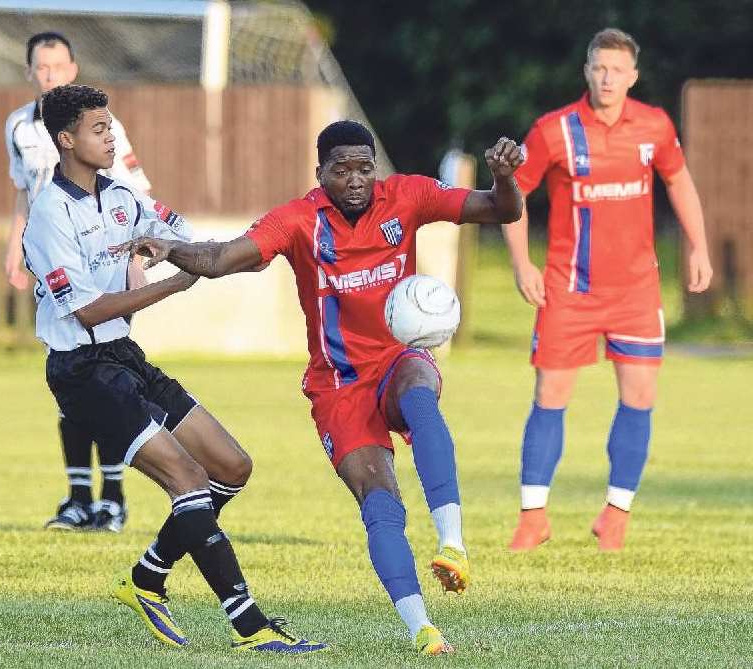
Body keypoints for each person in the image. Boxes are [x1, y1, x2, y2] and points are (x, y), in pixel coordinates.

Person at [111, 120, 524, 655]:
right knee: (379, 498)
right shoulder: (301, 221)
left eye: (364, 168)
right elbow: (219, 259)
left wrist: (504, 178)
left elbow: (501, 209)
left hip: (397, 358)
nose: (355, 180)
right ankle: (422, 628)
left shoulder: (408, 196)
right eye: (341, 169)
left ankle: (453, 544)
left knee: (419, 391)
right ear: (320, 173)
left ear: (376, 168)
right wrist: (170, 248)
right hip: (338, 388)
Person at [22, 83, 326, 653]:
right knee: (186, 480)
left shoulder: (122, 196)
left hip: (125, 359)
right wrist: (176, 282)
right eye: (98, 128)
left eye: (111, 126)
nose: (110, 136)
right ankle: (250, 626)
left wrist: (228, 256)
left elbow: (181, 234)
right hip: (81, 371)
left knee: (231, 466)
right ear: (65, 139)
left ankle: (147, 580)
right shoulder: (48, 214)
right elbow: (87, 310)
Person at [502, 28, 713, 552]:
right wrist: (521, 263)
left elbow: (679, 182)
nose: (607, 78)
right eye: (599, 68)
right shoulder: (554, 131)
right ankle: (533, 518)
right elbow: (512, 195)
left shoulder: (655, 125)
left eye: (617, 70)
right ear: (587, 71)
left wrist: (699, 246)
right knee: (550, 396)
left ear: (633, 76)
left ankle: (616, 515)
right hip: (568, 289)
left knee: (640, 397)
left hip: (636, 292)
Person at [4, 32, 164, 531]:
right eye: (41, 67)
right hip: (54, 262)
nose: (50, 74)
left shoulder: (101, 125)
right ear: (30, 72)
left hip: (105, 263)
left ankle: (112, 497)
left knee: (108, 380)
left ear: (72, 69)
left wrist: (135, 260)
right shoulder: (19, 127)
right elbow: (24, 195)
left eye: (58, 66)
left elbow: (134, 191)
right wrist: (15, 248)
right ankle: (78, 498)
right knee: (71, 380)